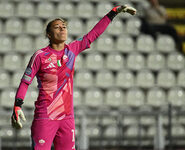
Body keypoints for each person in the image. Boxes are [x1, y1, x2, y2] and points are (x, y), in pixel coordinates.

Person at [11, 5, 136, 150]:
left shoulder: (72, 50)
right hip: (45, 117)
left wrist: (113, 12)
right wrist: (17, 105)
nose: (62, 29)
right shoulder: (40, 56)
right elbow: (25, 82)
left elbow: (94, 33)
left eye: (64, 26)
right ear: (49, 34)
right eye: (57, 27)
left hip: (67, 118)